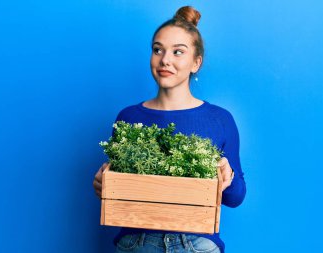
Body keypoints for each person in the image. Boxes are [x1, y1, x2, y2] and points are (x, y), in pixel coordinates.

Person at [93, 6, 246, 253]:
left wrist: (228, 178)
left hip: (196, 245)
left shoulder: (220, 119)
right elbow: (121, 190)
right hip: (136, 244)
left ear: (196, 63)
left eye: (178, 52)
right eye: (158, 50)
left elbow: (236, 198)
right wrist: (104, 184)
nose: (165, 60)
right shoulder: (128, 118)